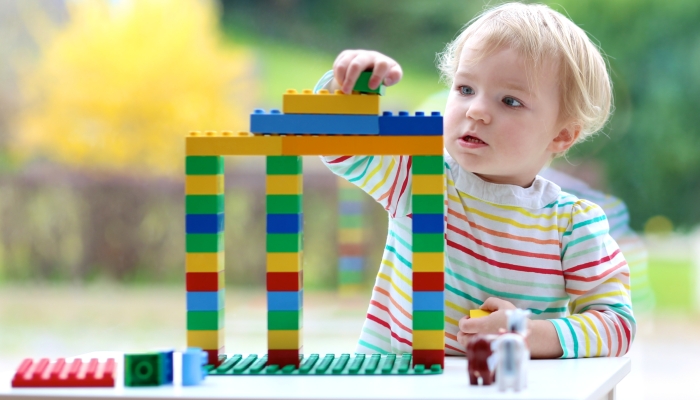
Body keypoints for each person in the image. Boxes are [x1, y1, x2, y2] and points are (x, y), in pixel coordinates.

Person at [315, 2, 635, 358]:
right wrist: (347, 90)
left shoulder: (572, 225)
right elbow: (338, 148)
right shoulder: (417, 176)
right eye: (465, 89)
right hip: (396, 386)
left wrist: (529, 334)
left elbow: (617, 326)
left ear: (561, 135)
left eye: (510, 101)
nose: (477, 110)